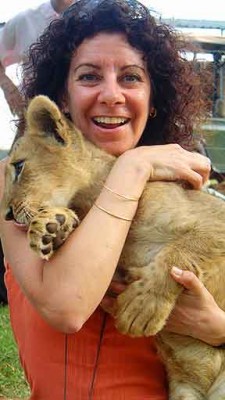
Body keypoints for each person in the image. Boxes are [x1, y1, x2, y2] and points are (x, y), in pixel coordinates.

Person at [0, 0, 225, 398]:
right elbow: (66, 306)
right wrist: (132, 168)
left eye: (131, 78)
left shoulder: (178, 183)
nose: (111, 95)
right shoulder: (19, 180)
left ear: (152, 101)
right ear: (62, 99)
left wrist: (218, 328)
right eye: (89, 77)